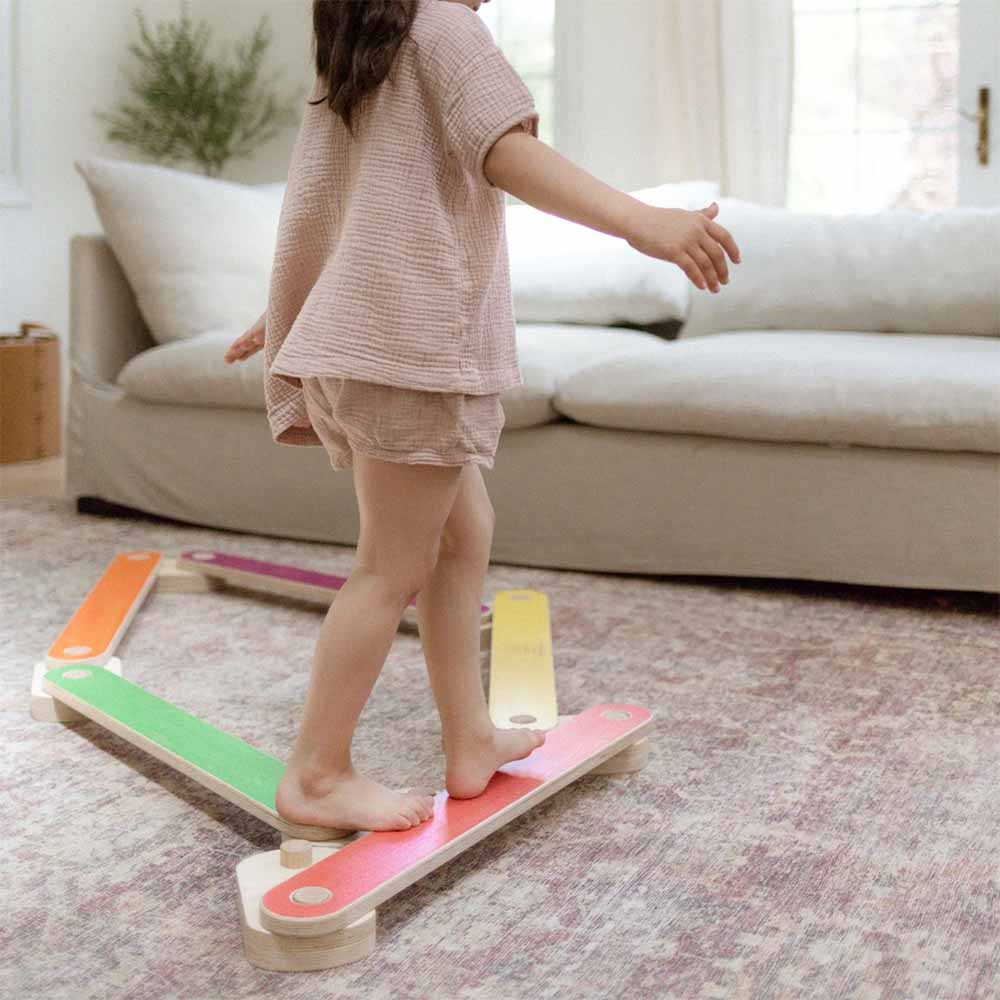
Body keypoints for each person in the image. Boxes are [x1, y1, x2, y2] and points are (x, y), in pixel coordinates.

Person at [224, 0, 741, 834]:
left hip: (369, 347)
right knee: (390, 568)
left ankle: (469, 739)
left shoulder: (366, 49)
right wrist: (643, 220)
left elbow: (331, 205)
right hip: (410, 353)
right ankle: (317, 775)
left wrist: (294, 315)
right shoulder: (445, 31)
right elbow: (507, 151)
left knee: (464, 536)